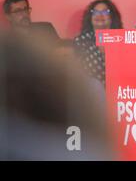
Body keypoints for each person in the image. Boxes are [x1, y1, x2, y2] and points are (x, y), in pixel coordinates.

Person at [0, 30, 114, 160]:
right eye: (59, 60)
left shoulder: (93, 86)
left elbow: (101, 122)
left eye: (67, 58)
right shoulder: (38, 89)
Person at [74, 0, 123, 87]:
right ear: (90, 17)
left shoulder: (123, 40)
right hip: (90, 94)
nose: (100, 15)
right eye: (95, 12)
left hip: (119, 91)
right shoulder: (81, 41)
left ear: (112, 17)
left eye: (105, 12)